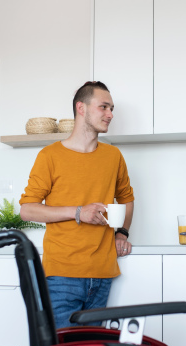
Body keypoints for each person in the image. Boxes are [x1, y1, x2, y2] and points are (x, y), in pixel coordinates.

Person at [19, 81, 135, 330]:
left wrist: (122, 233)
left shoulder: (113, 156)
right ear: (81, 108)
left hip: (103, 275)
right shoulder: (50, 156)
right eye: (104, 107)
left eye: (112, 108)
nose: (110, 114)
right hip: (62, 276)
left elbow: (126, 197)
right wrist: (78, 212)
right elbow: (27, 209)